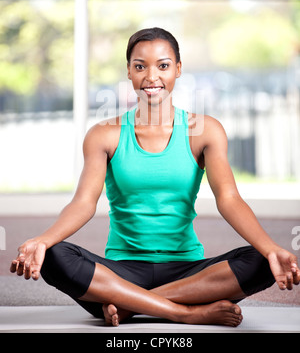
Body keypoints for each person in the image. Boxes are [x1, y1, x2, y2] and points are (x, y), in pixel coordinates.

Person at [11, 27, 299, 327]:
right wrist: (43, 240)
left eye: (163, 65)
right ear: (129, 72)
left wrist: (270, 248)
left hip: (187, 271)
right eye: (140, 66)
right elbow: (84, 203)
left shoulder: (205, 130)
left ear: (178, 69)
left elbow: (229, 199)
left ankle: (128, 306)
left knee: (262, 260)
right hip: (121, 272)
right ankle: (183, 311)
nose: (151, 77)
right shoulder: (103, 134)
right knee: (56, 256)